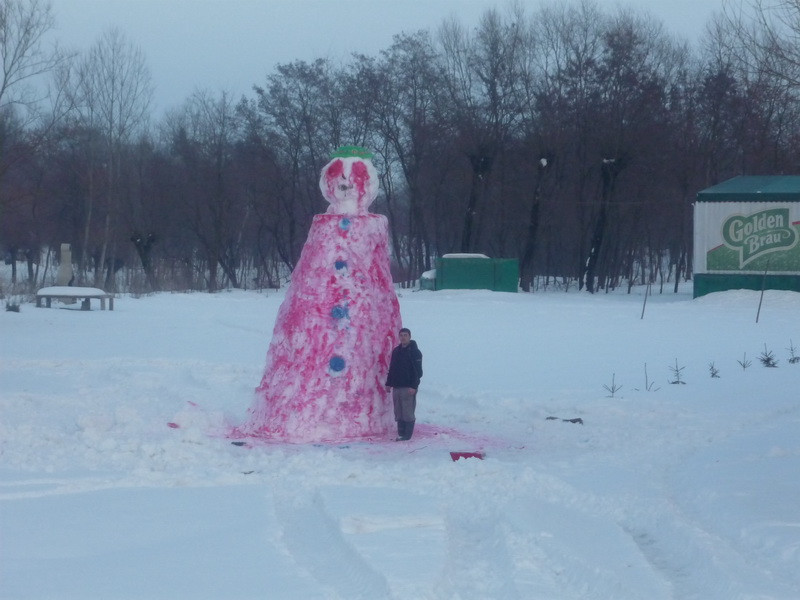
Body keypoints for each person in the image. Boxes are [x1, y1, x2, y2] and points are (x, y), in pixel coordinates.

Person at [385, 328, 423, 440]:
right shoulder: (396, 351)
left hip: (408, 387)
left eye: (405, 335)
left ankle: (407, 435)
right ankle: (400, 432)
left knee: (407, 411)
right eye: (401, 335)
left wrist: (414, 386)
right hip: (397, 386)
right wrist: (389, 383)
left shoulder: (415, 352)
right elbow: (392, 369)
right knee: (398, 411)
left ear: (409, 336)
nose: (403, 337)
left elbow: (418, 372)